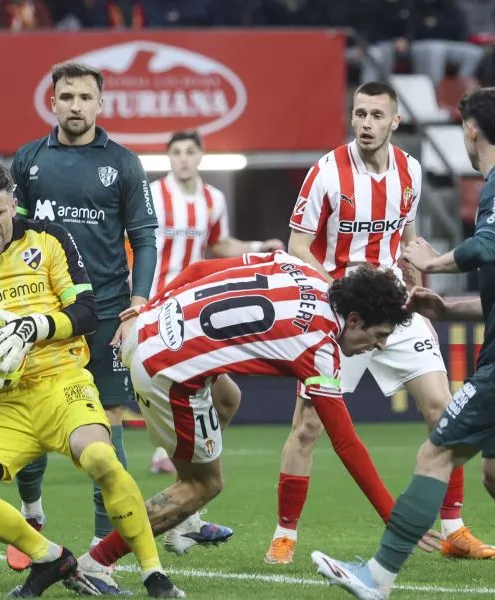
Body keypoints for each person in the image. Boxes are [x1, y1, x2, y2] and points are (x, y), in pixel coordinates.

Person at [312, 84, 495, 600]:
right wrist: (449, 308)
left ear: (470, 132)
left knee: (435, 455)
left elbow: (488, 246)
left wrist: (434, 261)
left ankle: (376, 579)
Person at [65, 251, 424, 596]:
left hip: (150, 325)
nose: (377, 346)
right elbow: (346, 443)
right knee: (203, 485)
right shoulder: (320, 348)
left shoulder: (299, 269)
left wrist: (151, 305)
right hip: (167, 372)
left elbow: (200, 268)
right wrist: (393, 519)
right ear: (356, 320)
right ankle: (96, 563)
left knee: (227, 400)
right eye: (378, 336)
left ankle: (184, 519)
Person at [266, 81, 495, 566]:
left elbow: (408, 241)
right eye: (359, 114)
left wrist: (417, 279)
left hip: (395, 304)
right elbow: (298, 246)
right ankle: (284, 534)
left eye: (376, 115)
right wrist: (336, 291)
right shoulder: (326, 173)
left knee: (443, 410)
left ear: (395, 122)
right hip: (341, 315)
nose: (366, 124)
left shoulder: (410, 170)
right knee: (308, 428)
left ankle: (454, 529)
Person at [0, 162, 182, 599]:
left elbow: (85, 313)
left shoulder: (49, 240)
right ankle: (50, 558)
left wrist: (33, 327)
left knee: (101, 459)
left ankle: (153, 573)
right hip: (4, 402)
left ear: (13, 206)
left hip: (62, 383)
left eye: (0, 213)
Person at [9, 62, 158, 569]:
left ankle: (101, 543)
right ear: (52, 102)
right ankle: (31, 513)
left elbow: (143, 237)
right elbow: (9, 237)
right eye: (66, 96)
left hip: (109, 312)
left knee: (110, 419)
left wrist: (137, 304)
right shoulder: (27, 160)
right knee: (31, 413)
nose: (75, 105)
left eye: (84, 97)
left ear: (100, 104)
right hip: (42, 313)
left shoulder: (125, 163)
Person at [145, 128, 284, 554]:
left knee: (225, 400)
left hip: (195, 314)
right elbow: (133, 243)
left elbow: (219, 243)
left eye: (190, 152)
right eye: (176, 152)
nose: (183, 159)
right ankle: (143, 523)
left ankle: (182, 513)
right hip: (156, 313)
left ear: (200, 157)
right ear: (168, 158)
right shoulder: (152, 195)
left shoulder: (212, 200)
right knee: (213, 399)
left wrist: (260, 247)